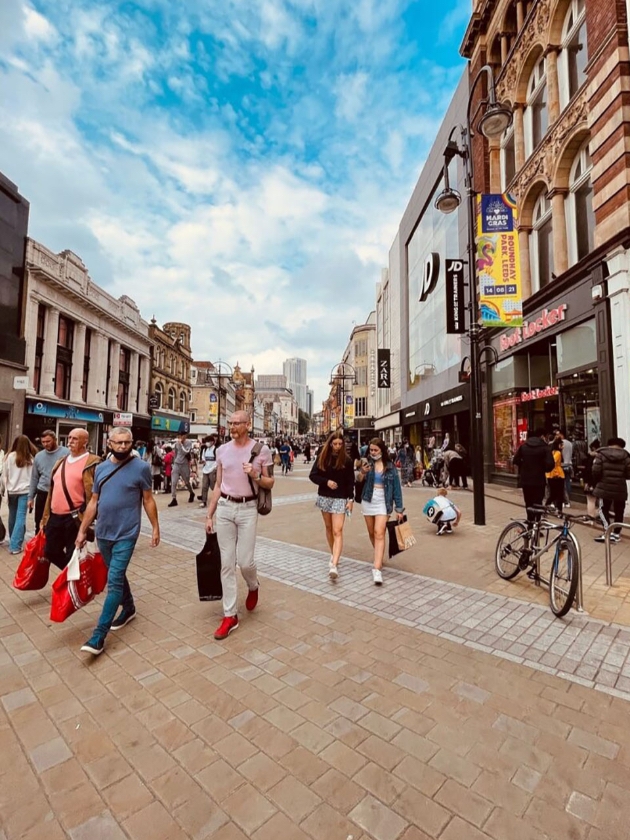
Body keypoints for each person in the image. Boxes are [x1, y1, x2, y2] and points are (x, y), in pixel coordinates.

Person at [76, 427, 160, 655]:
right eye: (118, 443)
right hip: (103, 533)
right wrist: (83, 530)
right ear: (109, 443)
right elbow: (94, 501)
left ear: (132, 443)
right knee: (117, 573)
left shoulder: (141, 468)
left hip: (127, 533)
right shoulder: (101, 469)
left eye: (127, 442)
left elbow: (148, 500)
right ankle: (129, 607)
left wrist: (155, 528)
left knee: (113, 583)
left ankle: (98, 636)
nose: (123, 446)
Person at [206, 411, 274, 640]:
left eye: (237, 423)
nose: (232, 427)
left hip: (248, 509)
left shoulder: (261, 450)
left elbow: (270, 482)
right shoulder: (221, 450)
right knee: (226, 564)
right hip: (225, 507)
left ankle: (253, 585)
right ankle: (230, 615)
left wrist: (255, 474)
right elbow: (217, 485)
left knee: (245, 562)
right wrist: (209, 514)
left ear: (248, 424)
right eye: (231, 423)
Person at [41, 428, 101, 570]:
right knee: (50, 551)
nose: (71, 441)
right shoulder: (61, 461)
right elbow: (51, 491)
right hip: (55, 516)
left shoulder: (93, 463)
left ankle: (72, 584)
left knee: (72, 554)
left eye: (75, 438)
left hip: (74, 517)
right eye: (69, 438)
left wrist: (89, 517)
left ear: (85, 441)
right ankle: (72, 576)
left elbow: (96, 494)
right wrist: (45, 518)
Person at [355, 438, 405, 585]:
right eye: (371, 450)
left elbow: (397, 488)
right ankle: (379, 554)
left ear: (382, 450)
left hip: (384, 502)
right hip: (368, 500)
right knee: (372, 533)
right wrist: (362, 473)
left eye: (376, 450)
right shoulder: (366, 464)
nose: (373, 452)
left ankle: (377, 569)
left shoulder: (390, 467)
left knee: (379, 532)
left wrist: (399, 509)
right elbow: (358, 480)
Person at [309, 430, 355, 580]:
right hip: (325, 496)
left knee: (338, 530)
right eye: (335, 444)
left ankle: (334, 564)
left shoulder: (347, 460)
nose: (337, 446)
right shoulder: (323, 457)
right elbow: (313, 475)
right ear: (330, 444)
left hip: (340, 498)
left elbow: (350, 481)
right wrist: (326, 482)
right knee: (329, 528)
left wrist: (351, 500)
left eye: (340, 444)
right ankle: (333, 553)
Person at [1, 435, 38, 554]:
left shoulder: (8, 457)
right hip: (25, 491)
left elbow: (4, 476)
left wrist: (3, 489)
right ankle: (15, 546)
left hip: (11, 491)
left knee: (12, 516)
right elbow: (34, 477)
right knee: (21, 517)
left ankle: (14, 540)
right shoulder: (31, 459)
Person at [27, 430, 69, 533]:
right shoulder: (39, 456)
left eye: (48, 441)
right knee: (39, 522)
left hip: (59, 493)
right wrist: (31, 497)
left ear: (55, 440)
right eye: (43, 442)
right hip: (43, 492)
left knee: (56, 523)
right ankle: (40, 545)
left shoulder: (66, 453)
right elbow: (34, 478)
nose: (45, 444)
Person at [592, 437, 630, 543]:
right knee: (619, 511)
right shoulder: (626, 457)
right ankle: (616, 534)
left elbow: (595, 471)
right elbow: (629, 474)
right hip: (620, 488)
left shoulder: (601, 455)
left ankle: (607, 531)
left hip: (604, 487)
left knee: (603, 509)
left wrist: (598, 481)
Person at [513, 428, 555, 515]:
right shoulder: (544, 447)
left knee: (528, 502)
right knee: (538, 502)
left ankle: (530, 522)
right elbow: (550, 464)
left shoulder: (523, 446)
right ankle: (537, 521)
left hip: (526, 480)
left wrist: (524, 466)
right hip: (539, 480)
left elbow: (515, 460)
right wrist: (543, 468)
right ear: (542, 436)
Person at [168, 433, 195, 506]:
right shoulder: (176, 444)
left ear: (185, 436)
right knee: (173, 482)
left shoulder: (189, 443)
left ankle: (191, 493)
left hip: (184, 465)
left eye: (182, 436)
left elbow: (186, 452)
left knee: (186, 482)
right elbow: (176, 453)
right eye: (179, 437)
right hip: (177, 464)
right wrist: (174, 462)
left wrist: (181, 445)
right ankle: (174, 498)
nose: (180, 438)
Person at [581, 439, 601, 521]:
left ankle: (590, 516)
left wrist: (586, 482)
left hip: (591, 482)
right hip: (599, 482)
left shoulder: (589, 458)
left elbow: (587, 471)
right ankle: (598, 515)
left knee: (590, 500)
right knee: (599, 500)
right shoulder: (601, 458)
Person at [545, 438, 565, 516]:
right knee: (559, 494)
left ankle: (547, 506)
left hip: (550, 474)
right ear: (558, 445)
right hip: (557, 475)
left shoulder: (551, 452)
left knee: (553, 493)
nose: (563, 447)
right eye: (561, 445)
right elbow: (553, 461)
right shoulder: (558, 453)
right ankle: (559, 511)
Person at [199, 434, 217, 507]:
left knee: (213, 486)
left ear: (212, 442)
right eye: (206, 441)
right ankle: (204, 501)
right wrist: (202, 461)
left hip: (213, 470)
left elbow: (218, 460)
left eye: (208, 441)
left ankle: (218, 498)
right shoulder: (205, 449)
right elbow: (204, 459)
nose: (207, 443)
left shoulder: (216, 450)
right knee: (204, 486)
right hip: (205, 470)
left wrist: (215, 469)